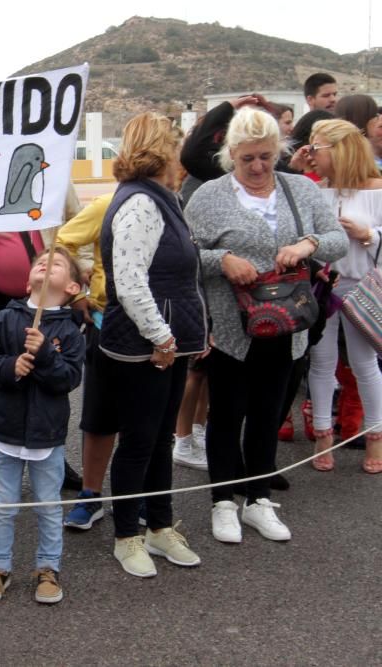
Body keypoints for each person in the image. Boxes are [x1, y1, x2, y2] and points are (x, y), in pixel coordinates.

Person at [186, 107, 347, 544]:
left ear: (279, 152)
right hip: (231, 327)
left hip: (287, 325)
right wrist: (223, 260)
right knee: (226, 414)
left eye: (266, 157)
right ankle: (223, 501)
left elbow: (338, 239)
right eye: (247, 159)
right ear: (230, 155)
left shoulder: (300, 190)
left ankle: (257, 499)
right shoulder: (208, 197)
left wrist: (307, 244)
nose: (258, 167)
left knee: (266, 414)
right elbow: (184, 257)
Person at [95, 112, 207, 578]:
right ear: (164, 149)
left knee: (159, 438)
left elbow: (182, 277)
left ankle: (160, 526)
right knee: (140, 440)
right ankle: (127, 536)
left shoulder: (165, 198)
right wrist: (162, 337)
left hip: (170, 341)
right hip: (147, 344)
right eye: (176, 145)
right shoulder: (141, 203)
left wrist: (195, 329)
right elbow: (130, 280)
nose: (182, 154)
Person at [0, 248, 84, 604]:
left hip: (46, 436)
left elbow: (69, 378)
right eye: (40, 261)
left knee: (49, 505)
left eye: (58, 264)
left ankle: (48, 568)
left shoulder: (70, 330)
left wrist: (46, 354)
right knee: (3, 504)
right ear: (26, 279)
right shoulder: (4, 319)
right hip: (5, 432)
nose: (46, 264)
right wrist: (9, 367)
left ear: (72, 286)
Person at [0, 184, 83, 489]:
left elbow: (78, 222)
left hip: (47, 305)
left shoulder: (51, 169)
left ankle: (50, 458)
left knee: (46, 383)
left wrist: (83, 279)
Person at [303, 118, 382, 473]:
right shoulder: (316, 189)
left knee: (365, 364)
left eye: (317, 148)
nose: (312, 154)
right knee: (321, 363)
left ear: (339, 150)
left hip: (362, 285)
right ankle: (323, 434)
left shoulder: (377, 189)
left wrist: (369, 235)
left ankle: (376, 437)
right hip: (323, 285)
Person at [55, 192, 118, 530]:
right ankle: (90, 496)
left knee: (148, 422)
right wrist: (78, 291)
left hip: (158, 326)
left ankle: (137, 498)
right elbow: (63, 240)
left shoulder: (173, 204)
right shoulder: (107, 204)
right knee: (99, 416)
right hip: (107, 322)